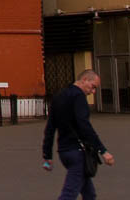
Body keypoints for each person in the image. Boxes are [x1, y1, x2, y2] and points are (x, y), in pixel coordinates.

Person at [43, 69, 115, 199]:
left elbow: (50, 128)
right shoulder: (79, 97)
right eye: (93, 87)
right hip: (78, 152)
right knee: (69, 194)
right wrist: (103, 151)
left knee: (89, 194)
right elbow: (85, 126)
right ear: (85, 80)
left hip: (64, 152)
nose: (93, 91)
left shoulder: (59, 96)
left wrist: (47, 155)